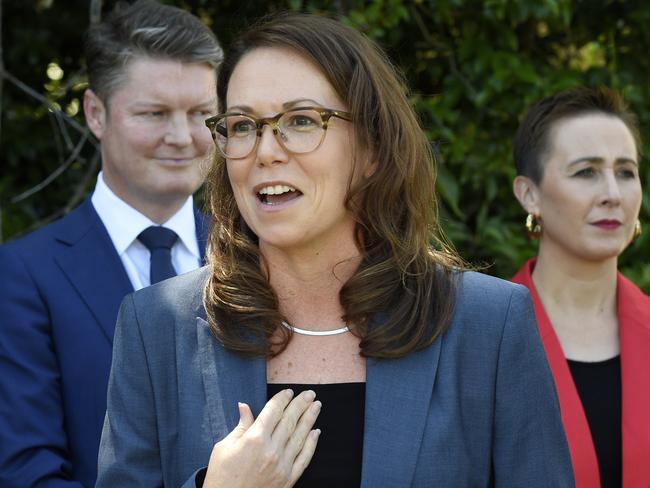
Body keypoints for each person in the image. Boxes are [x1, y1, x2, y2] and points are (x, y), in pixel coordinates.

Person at [96, 13, 573, 488]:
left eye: (301, 121)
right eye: (242, 126)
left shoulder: (487, 324)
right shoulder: (156, 326)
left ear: (372, 149)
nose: (265, 151)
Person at [0, 1, 222, 486]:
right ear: (96, 113)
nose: (183, 137)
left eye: (201, 113)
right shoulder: (20, 277)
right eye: (155, 113)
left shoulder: (255, 254)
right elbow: (25, 472)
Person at [511, 87, 650, 487]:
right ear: (529, 194)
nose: (612, 194)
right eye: (586, 171)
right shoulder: (478, 339)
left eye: (625, 172)